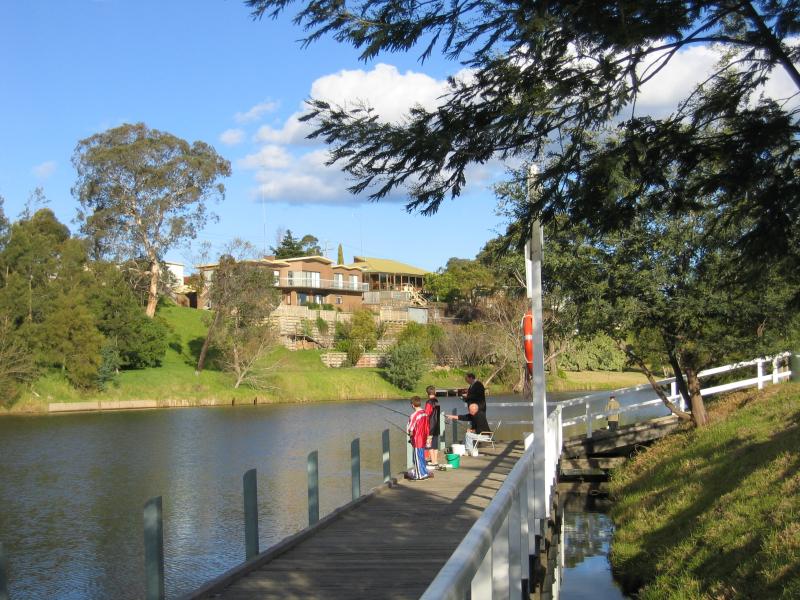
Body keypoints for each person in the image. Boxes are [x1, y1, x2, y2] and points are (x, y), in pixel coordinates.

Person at [406, 396, 431, 480]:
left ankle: (420, 475)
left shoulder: (414, 415)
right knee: (421, 456)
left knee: (416, 457)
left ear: (412, 405)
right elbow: (427, 426)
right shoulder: (425, 413)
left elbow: (410, 428)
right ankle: (424, 472)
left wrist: (410, 434)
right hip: (424, 438)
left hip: (417, 439)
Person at [424, 386, 441, 466]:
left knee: (429, 444)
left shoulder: (429, 402)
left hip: (430, 426)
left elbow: (427, 414)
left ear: (427, 393)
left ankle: (433, 461)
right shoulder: (437, 401)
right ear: (435, 392)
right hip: (437, 425)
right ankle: (435, 460)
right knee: (435, 444)